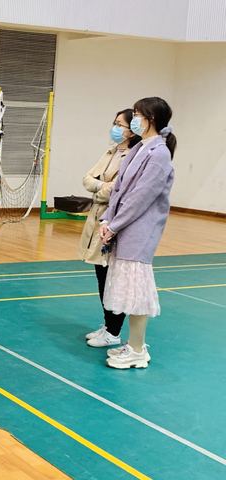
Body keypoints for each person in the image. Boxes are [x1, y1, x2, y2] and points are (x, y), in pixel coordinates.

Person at [100, 97, 176, 369]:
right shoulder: (139, 148)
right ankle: (133, 345)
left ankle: (137, 350)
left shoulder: (159, 154)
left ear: (150, 119)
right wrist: (107, 218)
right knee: (129, 292)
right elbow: (120, 190)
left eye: (136, 114)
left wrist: (114, 225)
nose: (133, 119)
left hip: (140, 232)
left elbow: (140, 198)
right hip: (125, 228)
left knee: (137, 293)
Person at [81, 109, 140, 347]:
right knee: (101, 275)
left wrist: (100, 187)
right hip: (98, 218)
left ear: (132, 130)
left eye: (120, 124)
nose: (115, 128)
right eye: (114, 123)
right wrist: (101, 186)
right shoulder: (111, 151)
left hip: (113, 220)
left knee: (111, 279)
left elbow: (116, 190)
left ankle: (114, 331)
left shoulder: (134, 156)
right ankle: (108, 325)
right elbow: (87, 179)